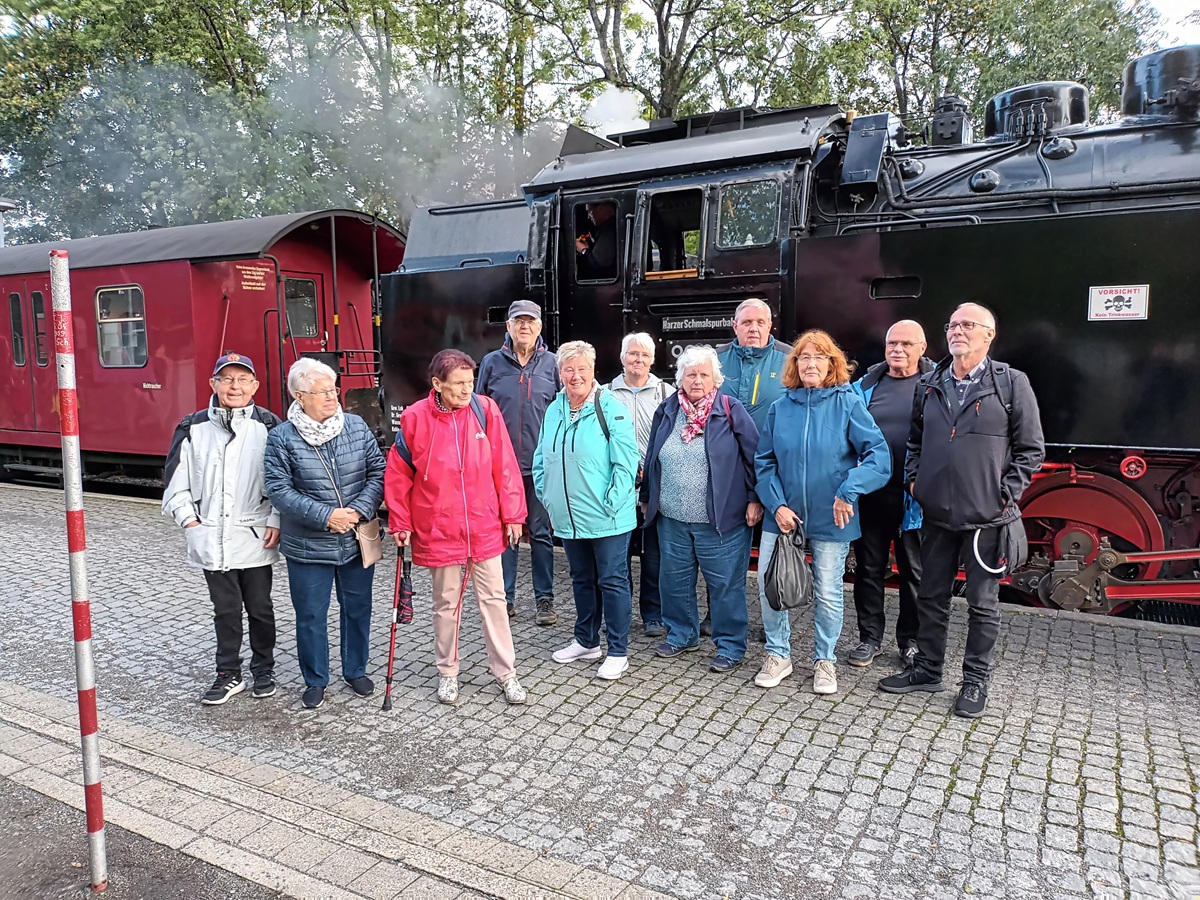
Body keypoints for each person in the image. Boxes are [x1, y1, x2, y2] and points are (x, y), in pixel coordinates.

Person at [879, 303, 1045, 718]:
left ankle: (974, 681)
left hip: (986, 518)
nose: (958, 331)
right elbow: (916, 441)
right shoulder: (931, 382)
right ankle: (928, 669)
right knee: (930, 596)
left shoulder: (1011, 383)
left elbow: (1031, 450)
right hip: (935, 512)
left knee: (982, 603)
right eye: (952, 324)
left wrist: (1005, 495)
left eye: (968, 325)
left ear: (989, 335)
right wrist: (916, 482)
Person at [384, 349, 529, 706]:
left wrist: (513, 515)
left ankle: (507, 673)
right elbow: (399, 473)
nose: (468, 390)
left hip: (483, 524)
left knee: (494, 601)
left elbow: (505, 464)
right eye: (459, 384)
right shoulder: (415, 418)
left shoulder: (485, 409)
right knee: (446, 604)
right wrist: (400, 520)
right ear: (437, 384)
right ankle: (447, 672)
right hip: (439, 525)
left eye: (470, 381)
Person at [754, 330, 890, 695]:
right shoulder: (779, 407)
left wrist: (849, 491)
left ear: (832, 364)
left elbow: (879, 458)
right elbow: (764, 462)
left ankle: (824, 660)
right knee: (772, 587)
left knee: (828, 592)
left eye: (819, 357)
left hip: (834, 518)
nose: (810, 363)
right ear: (794, 365)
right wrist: (776, 504)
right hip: (782, 516)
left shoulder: (848, 403)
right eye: (803, 357)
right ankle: (778, 654)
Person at [263, 358, 386, 710]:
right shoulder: (281, 438)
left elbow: (377, 471)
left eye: (334, 389)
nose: (333, 397)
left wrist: (359, 510)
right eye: (323, 391)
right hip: (307, 544)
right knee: (311, 615)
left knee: (358, 608)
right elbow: (279, 489)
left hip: (357, 538)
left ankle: (356, 670)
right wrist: (326, 516)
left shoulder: (356, 426)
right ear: (299, 396)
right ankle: (315, 679)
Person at [162, 353, 281, 705]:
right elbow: (174, 482)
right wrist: (190, 520)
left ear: (255, 386)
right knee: (225, 609)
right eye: (227, 379)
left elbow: (282, 481)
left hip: (255, 532)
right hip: (211, 534)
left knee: (260, 607)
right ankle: (228, 673)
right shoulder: (192, 427)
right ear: (213, 384)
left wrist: (276, 518)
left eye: (243, 379)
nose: (235, 386)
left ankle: (264, 667)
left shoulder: (269, 426)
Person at [641, 345, 762, 672]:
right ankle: (681, 634)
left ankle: (731, 645)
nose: (697, 380)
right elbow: (654, 456)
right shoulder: (667, 410)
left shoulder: (730, 409)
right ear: (680, 378)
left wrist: (755, 498)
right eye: (690, 374)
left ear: (715, 379)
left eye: (703, 374)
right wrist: (648, 497)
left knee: (725, 585)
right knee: (674, 581)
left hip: (721, 521)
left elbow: (756, 458)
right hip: (672, 518)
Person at [534, 341, 639, 681]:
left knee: (612, 581)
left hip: (608, 517)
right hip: (568, 516)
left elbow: (627, 463)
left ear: (593, 370)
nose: (575, 375)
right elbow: (541, 458)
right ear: (559, 372)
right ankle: (586, 641)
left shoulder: (611, 407)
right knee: (581, 579)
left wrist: (611, 501)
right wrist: (547, 496)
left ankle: (618, 651)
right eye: (568, 369)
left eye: (581, 368)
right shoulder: (554, 409)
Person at [847, 320, 934, 668]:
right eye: (892, 344)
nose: (898, 350)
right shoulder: (865, 387)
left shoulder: (936, 385)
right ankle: (869, 638)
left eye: (906, 344)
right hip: (873, 494)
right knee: (869, 568)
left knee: (916, 571)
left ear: (922, 348)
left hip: (918, 496)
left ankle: (910, 640)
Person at [476, 300, 561, 624]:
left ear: (540, 327)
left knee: (540, 533)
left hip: (541, 467)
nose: (524, 326)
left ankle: (545, 601)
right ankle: (505, 598)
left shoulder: (553, 364)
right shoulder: (491, 363)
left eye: (530, 321)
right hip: (501, 467)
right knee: (505, 535)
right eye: (518, 321)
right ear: (508, 327)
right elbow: (479, 411)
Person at [608, 332, 674, 638]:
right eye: (633, 354)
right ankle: (620, 613)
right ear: (622, 358)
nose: (638, 360)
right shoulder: (606, 393)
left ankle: (653, 614)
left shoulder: (666, 392)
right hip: (618, 486)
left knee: (653, 556)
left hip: (655, 486)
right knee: (619, 554)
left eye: (644, 355)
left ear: (652, 359)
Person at [716, 297, 790, 433]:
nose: (753, 329)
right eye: (747, 322)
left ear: (769, 326)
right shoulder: (715, 360)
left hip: (770, 451)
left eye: (760, 323)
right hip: (725, 451)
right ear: (735, 327)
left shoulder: (791, 359)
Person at [576, 201, 618, 279]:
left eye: (589, 211)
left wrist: (583, 250)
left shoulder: (609, 229)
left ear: (600, 209)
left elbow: (598, 265)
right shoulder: (613, 226)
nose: (588, 217)